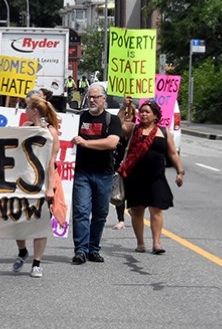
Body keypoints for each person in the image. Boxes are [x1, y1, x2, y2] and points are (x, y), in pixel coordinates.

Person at [118, 101, 184, 254]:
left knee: (156, 209)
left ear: (155, 115)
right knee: (137, 211)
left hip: (156, 178)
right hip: (136, 177)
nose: (143, 114)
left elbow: (173, 153)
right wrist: (125, 107)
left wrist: (180, 171)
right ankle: (140, 243)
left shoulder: (164, 131)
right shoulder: (134, 129)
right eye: (142, 112)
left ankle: (157, 243)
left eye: (147, 112)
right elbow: (121, 126)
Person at [70, 82, 123, 264]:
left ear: (104, 99)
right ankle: (81, 250)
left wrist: (85, 143)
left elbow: (111, 143)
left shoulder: (112, 120)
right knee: (81, 211)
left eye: (96, 97)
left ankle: (94, 249)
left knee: (100, 214)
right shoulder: (78, 118)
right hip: (82, 173)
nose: (92, 100)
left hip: (104, 174)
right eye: (90, 97)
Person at [12, 95, 60, 277]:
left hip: (41, 183)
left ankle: (37, 262)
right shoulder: (25, 128)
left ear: (34, 111)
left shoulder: (50, 132)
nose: (25, 111)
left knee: (39, 223)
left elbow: (51, 161)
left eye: (27, 108)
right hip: (23, 181)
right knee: (17, 221)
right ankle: (22, 251)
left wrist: (50, 187)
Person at [112, 96, 137, 230]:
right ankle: (121, 219)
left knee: (131, 191)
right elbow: (119, 121)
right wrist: (124, 106)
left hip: (132, 166)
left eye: (130, 115)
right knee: (119, 192)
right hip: (118, 165)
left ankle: (132, 209)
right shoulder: (118, 131)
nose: (127, 117)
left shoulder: (136, 132)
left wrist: (129, 107)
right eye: (125, 115)